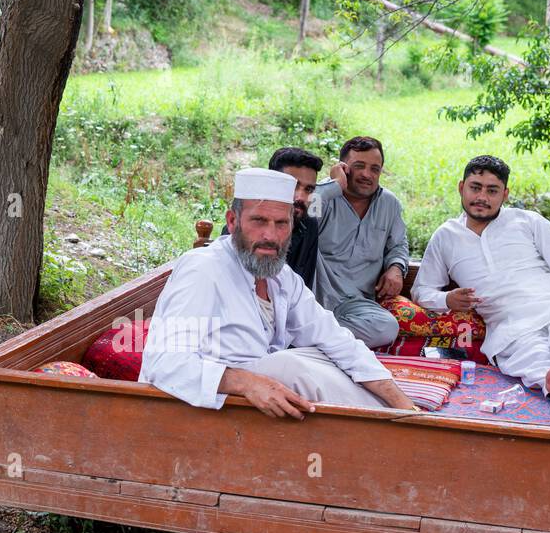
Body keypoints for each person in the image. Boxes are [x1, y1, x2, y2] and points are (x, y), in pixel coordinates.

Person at [139, 167, 417, 416]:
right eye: (259, 221)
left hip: (251, 411)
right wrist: (246, 382)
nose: (270, 236)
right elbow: (164, 363)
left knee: (326, 355)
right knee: (288, 366)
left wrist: (401, 401)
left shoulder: (281, 277)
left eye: (281, 223)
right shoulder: (203, 270)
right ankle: (382, 429)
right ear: (233, 222)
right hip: (192, 410)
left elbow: (336, 340)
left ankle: (401, 419)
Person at [410, 155, 550, 421]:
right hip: (509, 327)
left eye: (492, 190)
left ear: (505, 194)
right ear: (461, 187)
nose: (482, 196)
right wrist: (446, 299)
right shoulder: (445, 237)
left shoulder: (527, 221)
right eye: (475, 187)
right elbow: (421, 291)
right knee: (531, 359)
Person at [313, 136, 410, 348]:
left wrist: (395, 267)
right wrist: (334, 185)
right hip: (313, 299)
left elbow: (398, 245)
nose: (367, 174)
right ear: (343, 168)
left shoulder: (389, 204)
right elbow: (300, 214)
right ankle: (318, 336)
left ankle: (313, 337)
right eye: (359, 166)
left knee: (387, 328)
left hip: (355, 305)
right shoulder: (325, 197)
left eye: (375, 169)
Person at [220, 147, 321, 290]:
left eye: (308, 190)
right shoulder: (242, 228)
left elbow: (303, 290)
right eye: (293, 186)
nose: (300, 197)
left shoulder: (308, 224)